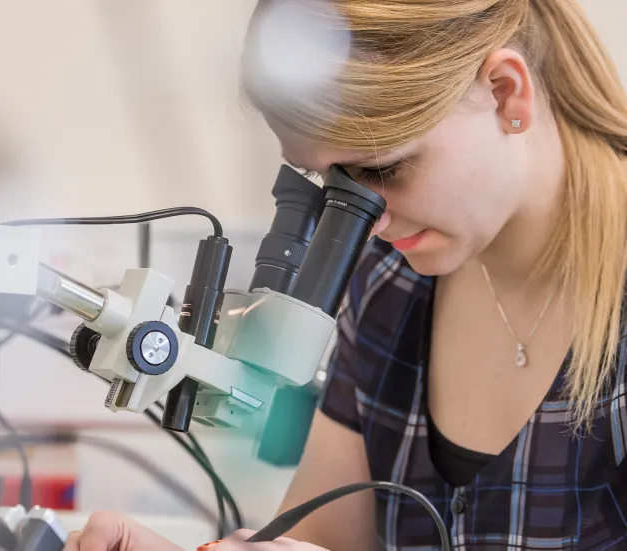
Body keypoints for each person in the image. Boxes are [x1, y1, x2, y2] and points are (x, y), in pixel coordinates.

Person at [65, 0, 627, 549]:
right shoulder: (388, 283)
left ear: (505, 92)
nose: (366, 222)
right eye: (330, 186)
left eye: (384, 169)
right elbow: (323, 539)